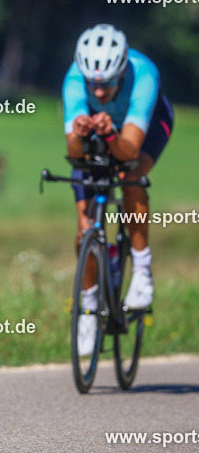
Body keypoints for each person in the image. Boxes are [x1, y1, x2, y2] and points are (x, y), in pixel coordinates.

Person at [62, 24, 174, 356]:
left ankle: (141, 271)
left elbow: (128, 150)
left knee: (131, 177)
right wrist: (79, 134)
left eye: (108, 84)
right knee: (84, 229)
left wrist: (111, 135)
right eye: (93, 84)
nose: (99, 93)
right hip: (103, 132)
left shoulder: (144, 75)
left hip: (145, 128)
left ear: (122, 70)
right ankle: (88, 308)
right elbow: (72, 154)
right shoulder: (72, 79)